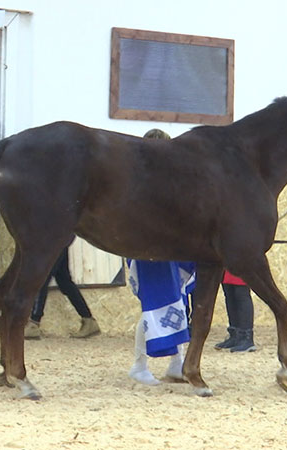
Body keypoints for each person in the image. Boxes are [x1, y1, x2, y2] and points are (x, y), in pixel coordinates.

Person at [126, 128, 195, 386]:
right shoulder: (137, 179)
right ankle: (139, 364)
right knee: (155, 305)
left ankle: (176, 362)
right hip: (149, 250)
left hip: (170, 248)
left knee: (176, 302)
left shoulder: (167, 177)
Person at [24, 246, 101, 339]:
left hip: (54, 238)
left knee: (43, 276)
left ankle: (34, 323)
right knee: (64, 280)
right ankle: (88, 320)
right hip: (60, 237)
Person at [214, 270, 257, 352]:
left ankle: (246, 337)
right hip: (228, 261)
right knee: (229, 292)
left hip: (241, 260)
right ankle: (235, 335)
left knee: (241, 293)